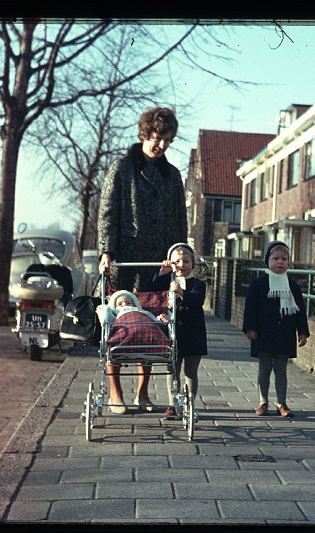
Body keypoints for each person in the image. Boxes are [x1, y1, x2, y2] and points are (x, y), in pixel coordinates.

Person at [97, 107, 187, 414]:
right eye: (158, 137)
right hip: (125, 261)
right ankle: (115, 393)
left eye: (168, 140)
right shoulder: (121, 168)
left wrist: (178, 255)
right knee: (118, 326)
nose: (162, 145)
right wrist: (106, 251)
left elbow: (180, 221)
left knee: (152, 325)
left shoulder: (173, 176)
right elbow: (107, 212)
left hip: (157, 263)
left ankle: (143, 392)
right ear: (145, 134)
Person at [242, 240, 310, 418]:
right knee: (264, 370)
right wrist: (250, 328)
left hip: (285, 335)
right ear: (267, 261)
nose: (280, 262)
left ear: (288, 262)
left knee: (281, 371)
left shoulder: (293, 286)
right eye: (275, 258)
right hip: (263, 334)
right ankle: (262, 402)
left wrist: (302, 331)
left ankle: (282, 403)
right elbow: (250, 308)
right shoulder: (257, 284)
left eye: (284, 259)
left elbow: (300, 311)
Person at [149, 243, 207, 420]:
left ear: (192, 264)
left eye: (186, 261)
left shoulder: (198, 283)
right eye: (177, 261)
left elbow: (197, 300)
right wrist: (161, 273)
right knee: (172, 370)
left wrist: (181, 292)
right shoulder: (166, 281)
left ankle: (190, 403)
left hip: (193, 334)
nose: (181, 265)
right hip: (171, 333)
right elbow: (150, 290)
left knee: (191, 372)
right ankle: (172, 404)